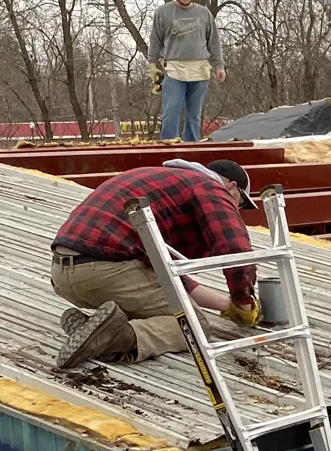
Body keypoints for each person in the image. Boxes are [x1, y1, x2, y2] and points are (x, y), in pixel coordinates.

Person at [50, 158, 262, 370]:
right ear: (233, 187)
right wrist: (244, 300)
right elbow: (236, 250)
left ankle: (95, 328)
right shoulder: (210, 187)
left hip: (64, 274)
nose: (237, 210)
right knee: (193, 325)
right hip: (107, 270)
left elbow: (165, 278)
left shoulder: (160, 181)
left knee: (164, 304)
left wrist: (228, 305)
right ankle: (114, 339)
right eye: (240, 203)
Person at [149, 0, 226, 142]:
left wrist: (219, 65)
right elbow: (155, 40)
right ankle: (168, 146)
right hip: (174, 69)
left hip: (200, 68)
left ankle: (191, 147)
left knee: (194, 115)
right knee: (171, 111)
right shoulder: (163, 12)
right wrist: (152, 65)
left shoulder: (203, 13)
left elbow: (214, 41)